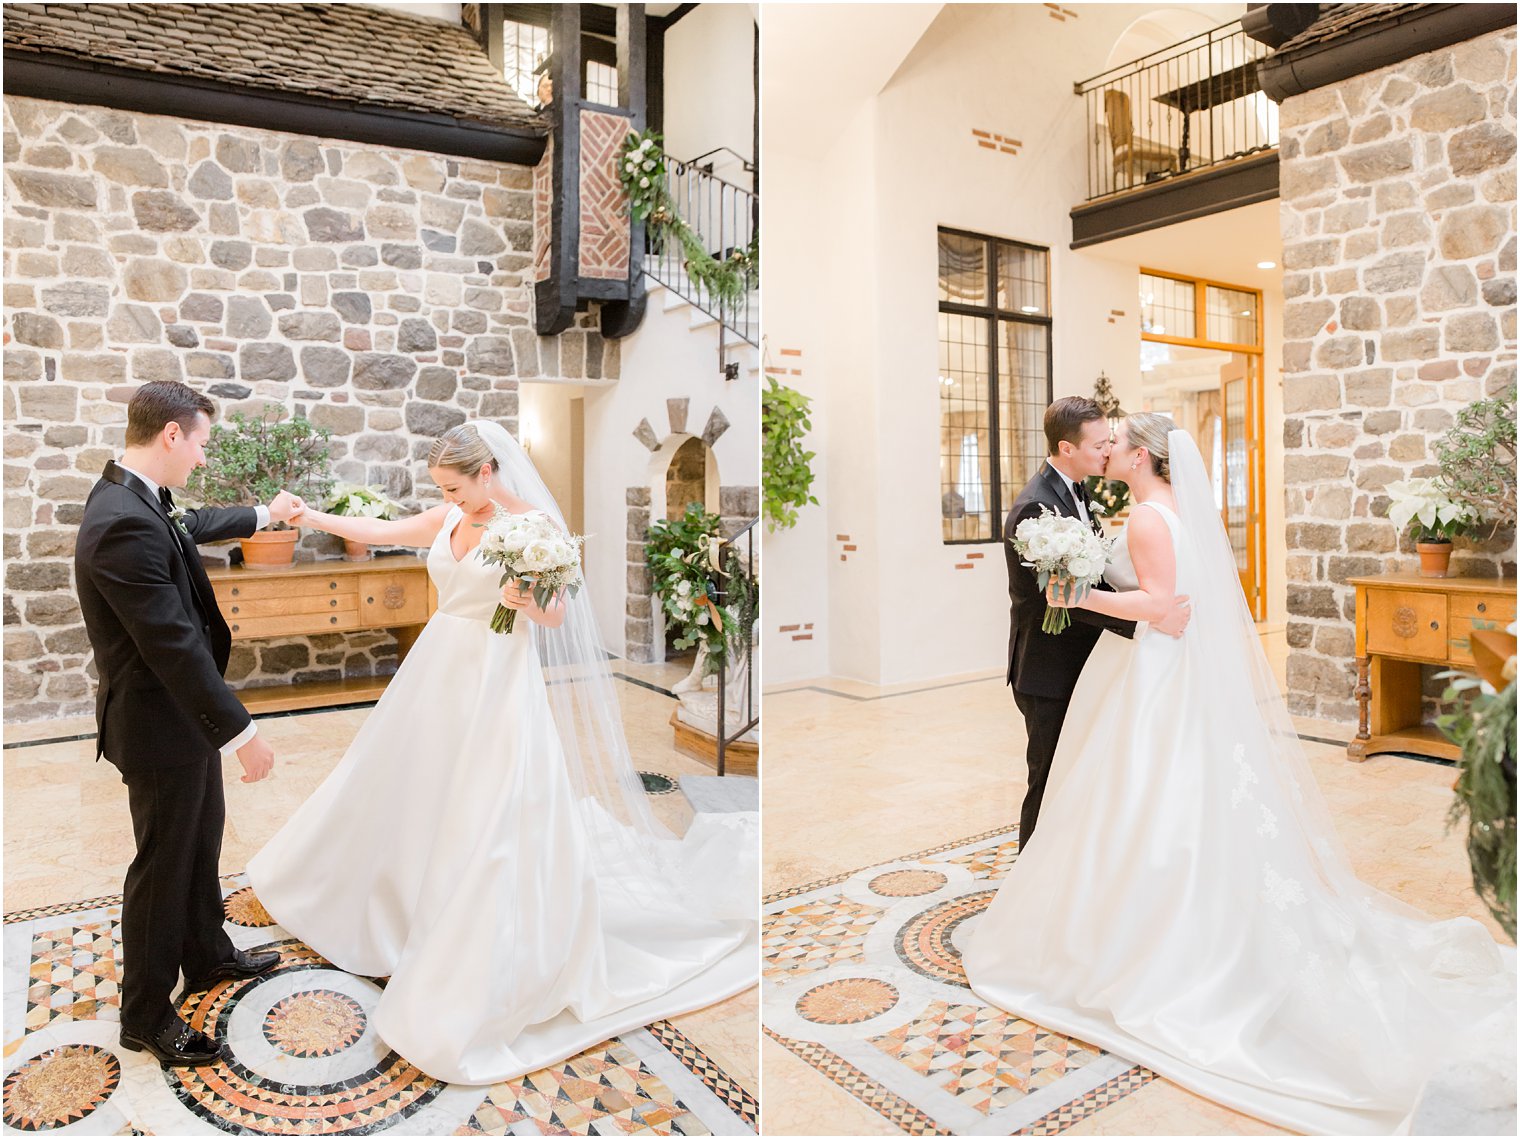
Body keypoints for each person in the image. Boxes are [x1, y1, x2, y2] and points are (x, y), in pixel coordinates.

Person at [966, 414, 1515, 1134]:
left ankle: (1142, 937)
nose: (1113, 449)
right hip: (1151, 670)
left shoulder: (1148, 519)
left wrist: (1078, 595)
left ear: (1143, 455)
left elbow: (1161, 607)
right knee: (1143, 801)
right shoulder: (1167, 510)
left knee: (1142, 800)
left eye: (1122, 442)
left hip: (1152, 674)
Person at [247, 421, 757, 1084]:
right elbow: (383, 532)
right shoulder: (447, 513)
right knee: (408, 791)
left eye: (457, 486)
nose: (450, 499)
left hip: (496, 680)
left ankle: (471, 945)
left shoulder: (533, 526)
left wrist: (526, 597)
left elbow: (554, 616)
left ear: (488, 471)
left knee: (488, 810)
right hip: (437, 674)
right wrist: (306, 513)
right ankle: (394, 911)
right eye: (442, 490)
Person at [73, 380, 304, 1066]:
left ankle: (206, 952)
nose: (202, 456)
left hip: (179, 719)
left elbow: (186, 528)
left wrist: (264, 513)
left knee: (200, 839)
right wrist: (243, 733)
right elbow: (171, 641)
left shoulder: (135, 495)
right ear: (171, 435)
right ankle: (144, 1011)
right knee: (163, 863)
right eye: (200, 441)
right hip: (156, 724)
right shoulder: (120, 519)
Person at [1003, 396, 1190, 848]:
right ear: (1068, 449)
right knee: (1048, 779)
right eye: (1099, 444)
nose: (1107, 452)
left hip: (1087, 662)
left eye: (1112, 442)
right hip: (1049, 668)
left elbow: (1093, 579)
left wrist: (1150, 610)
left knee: (1080, 778)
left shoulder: (1078, 493)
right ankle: (1031, 878)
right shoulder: (1035, 508)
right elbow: (1060, 599)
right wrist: (1151, 617)